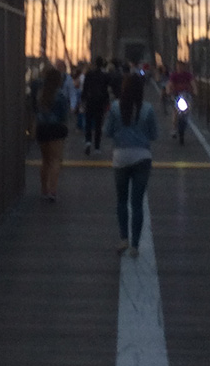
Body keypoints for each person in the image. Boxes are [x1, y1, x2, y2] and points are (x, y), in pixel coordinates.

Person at [104, 71, 158, 256]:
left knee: (121, 201)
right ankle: (135, 245)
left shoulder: (115, 107)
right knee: (136, 203)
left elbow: (107, 132)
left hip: (120, 158)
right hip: (142, 157)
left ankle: (123, 239)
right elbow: (154, 135)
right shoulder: (148, 109)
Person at [34, 65, 70, 201]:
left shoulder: (40, 93)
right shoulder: (60, 95)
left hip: (42, 129)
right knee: (56, 160)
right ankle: (53, 190)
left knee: (45, 160)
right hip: (56, 129)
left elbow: (35, 110)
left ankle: (43, 189)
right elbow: (63, 115)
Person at [81, 56, 111, 156]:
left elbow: (85, 88)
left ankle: (88, 141)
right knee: (98, 124)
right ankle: (97, 147)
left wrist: (83, 100)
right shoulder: (105, 76)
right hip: (100, 101)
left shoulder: (89, 74)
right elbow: (106, 90)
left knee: (88, 122)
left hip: (90, 100)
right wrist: (107, 102)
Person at [167, 61, 195, 145]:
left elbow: (193, 83)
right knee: (175, 111)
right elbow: (170, 84)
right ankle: (174, 128)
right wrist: (169, 91)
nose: (179, 68)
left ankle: (185, 121)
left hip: (186, 94)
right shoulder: (174, 75)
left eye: (181, 66)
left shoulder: (188, 75)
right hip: (177, 94)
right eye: (178, 67)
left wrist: (195, 90)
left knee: (189, 108)